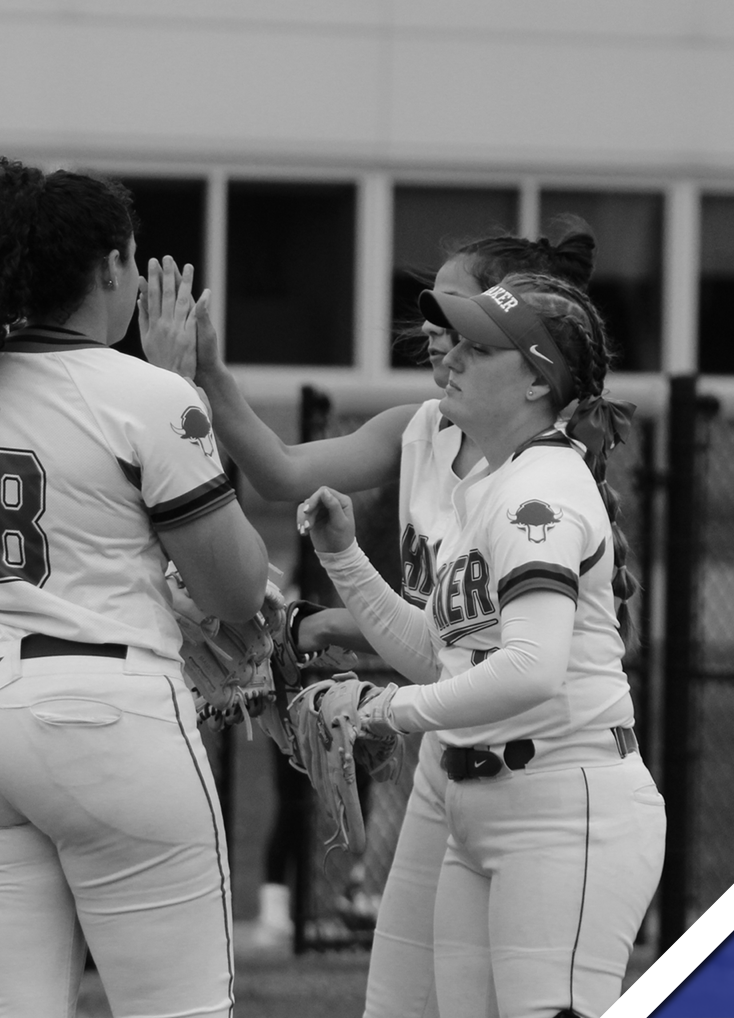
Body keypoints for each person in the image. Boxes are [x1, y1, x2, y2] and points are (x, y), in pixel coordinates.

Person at [140, 223, 597, 998]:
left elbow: (510, 654)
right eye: (434, 313)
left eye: (457, 315)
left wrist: (378, 703)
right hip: (456, 760)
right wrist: (209, 374)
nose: (434, 332)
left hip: (547, 768)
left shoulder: (536, 479)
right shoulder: (427, 429)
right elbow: (284, 476)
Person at [0, 158, 271, 1017]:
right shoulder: (147, 393)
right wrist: (184, 391)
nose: (138, 281)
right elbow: (237, 591)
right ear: (107, 266)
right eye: (132, 260)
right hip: (100, 714)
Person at [299, 270, 663, 1018]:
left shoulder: (541, 494)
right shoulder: (491, 485)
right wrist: (345, 560)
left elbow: (531, 670)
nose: (453, 358)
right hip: (484, 807)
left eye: (480, 348)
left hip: (563, 808)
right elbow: (441, 656)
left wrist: (385, 711)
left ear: (537, 383)